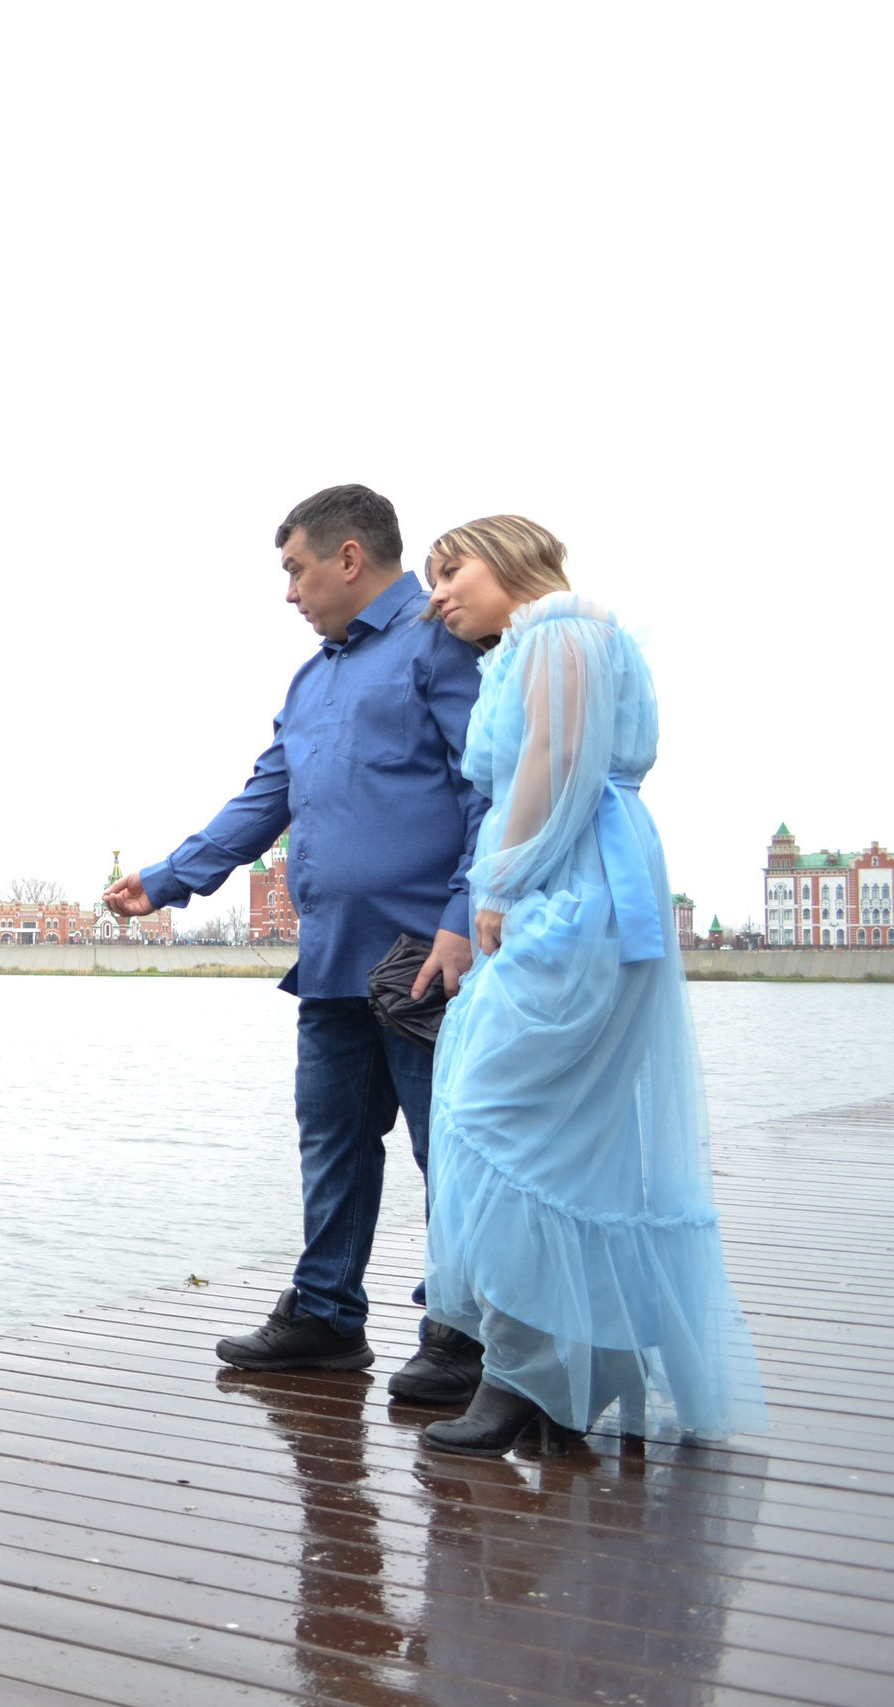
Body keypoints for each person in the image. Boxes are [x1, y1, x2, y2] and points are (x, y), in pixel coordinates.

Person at [103, 484, 488, 1402]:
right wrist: (167, 878)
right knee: (333, 1142)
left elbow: (490, 791)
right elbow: (266, 793)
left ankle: (460, 1330)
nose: (289, 591)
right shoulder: (313, 677)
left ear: (349, 557)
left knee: (454, 1151)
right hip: (331, 960)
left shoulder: (440, 642)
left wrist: (461, 920)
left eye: (295, 568)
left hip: (424, 963)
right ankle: (325, 1316)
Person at [412, 516, 765, 1455]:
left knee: (496, 1113)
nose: (437, 593)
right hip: (585, 889)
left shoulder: (560, 627)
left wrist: (503, 878)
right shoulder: (553, 639)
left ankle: (525, 1370)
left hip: (569, 895)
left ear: (511, 557)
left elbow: (553, 760)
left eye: (451, 570)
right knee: (570, 1138)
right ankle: (580, 1363)